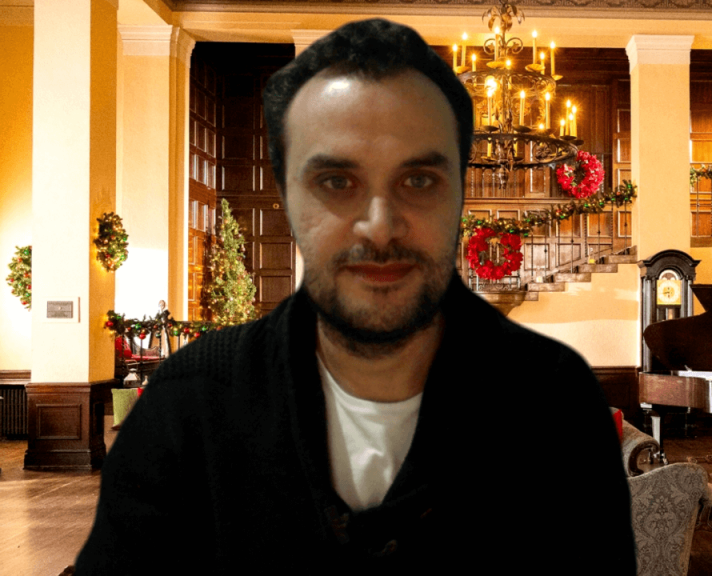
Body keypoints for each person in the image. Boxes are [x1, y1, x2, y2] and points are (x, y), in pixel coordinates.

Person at [75, 19, 635, 574]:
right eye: (337, 182)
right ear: (288, 198)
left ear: (458, 195)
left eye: (418, 180)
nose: (379, 226)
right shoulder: (187, 407)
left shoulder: (556, 403)